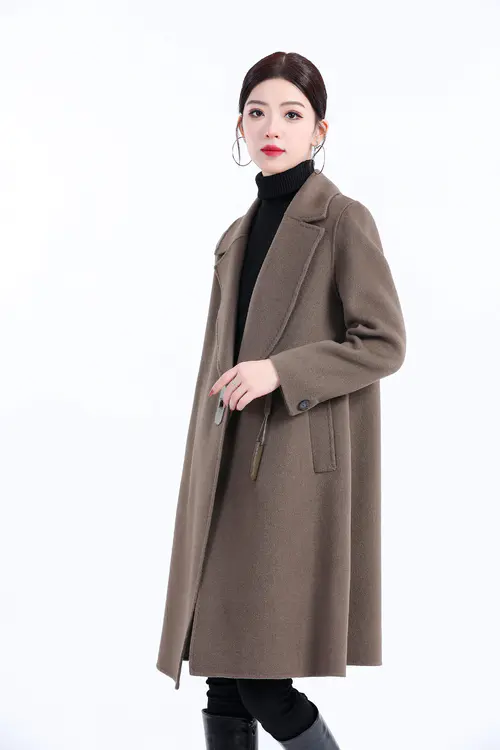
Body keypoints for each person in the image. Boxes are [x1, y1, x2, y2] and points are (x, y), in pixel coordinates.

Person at [156, 51, 406, 750]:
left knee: (265, 682)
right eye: (258, 112)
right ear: (240, 125)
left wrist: (281, 372)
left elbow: (384, 343)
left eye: (292, 114)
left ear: (319, 130)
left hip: (291, 475)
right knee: (221, 674)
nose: (273, 128)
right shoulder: (234, 237)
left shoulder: (343, 220)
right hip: (224, 468)